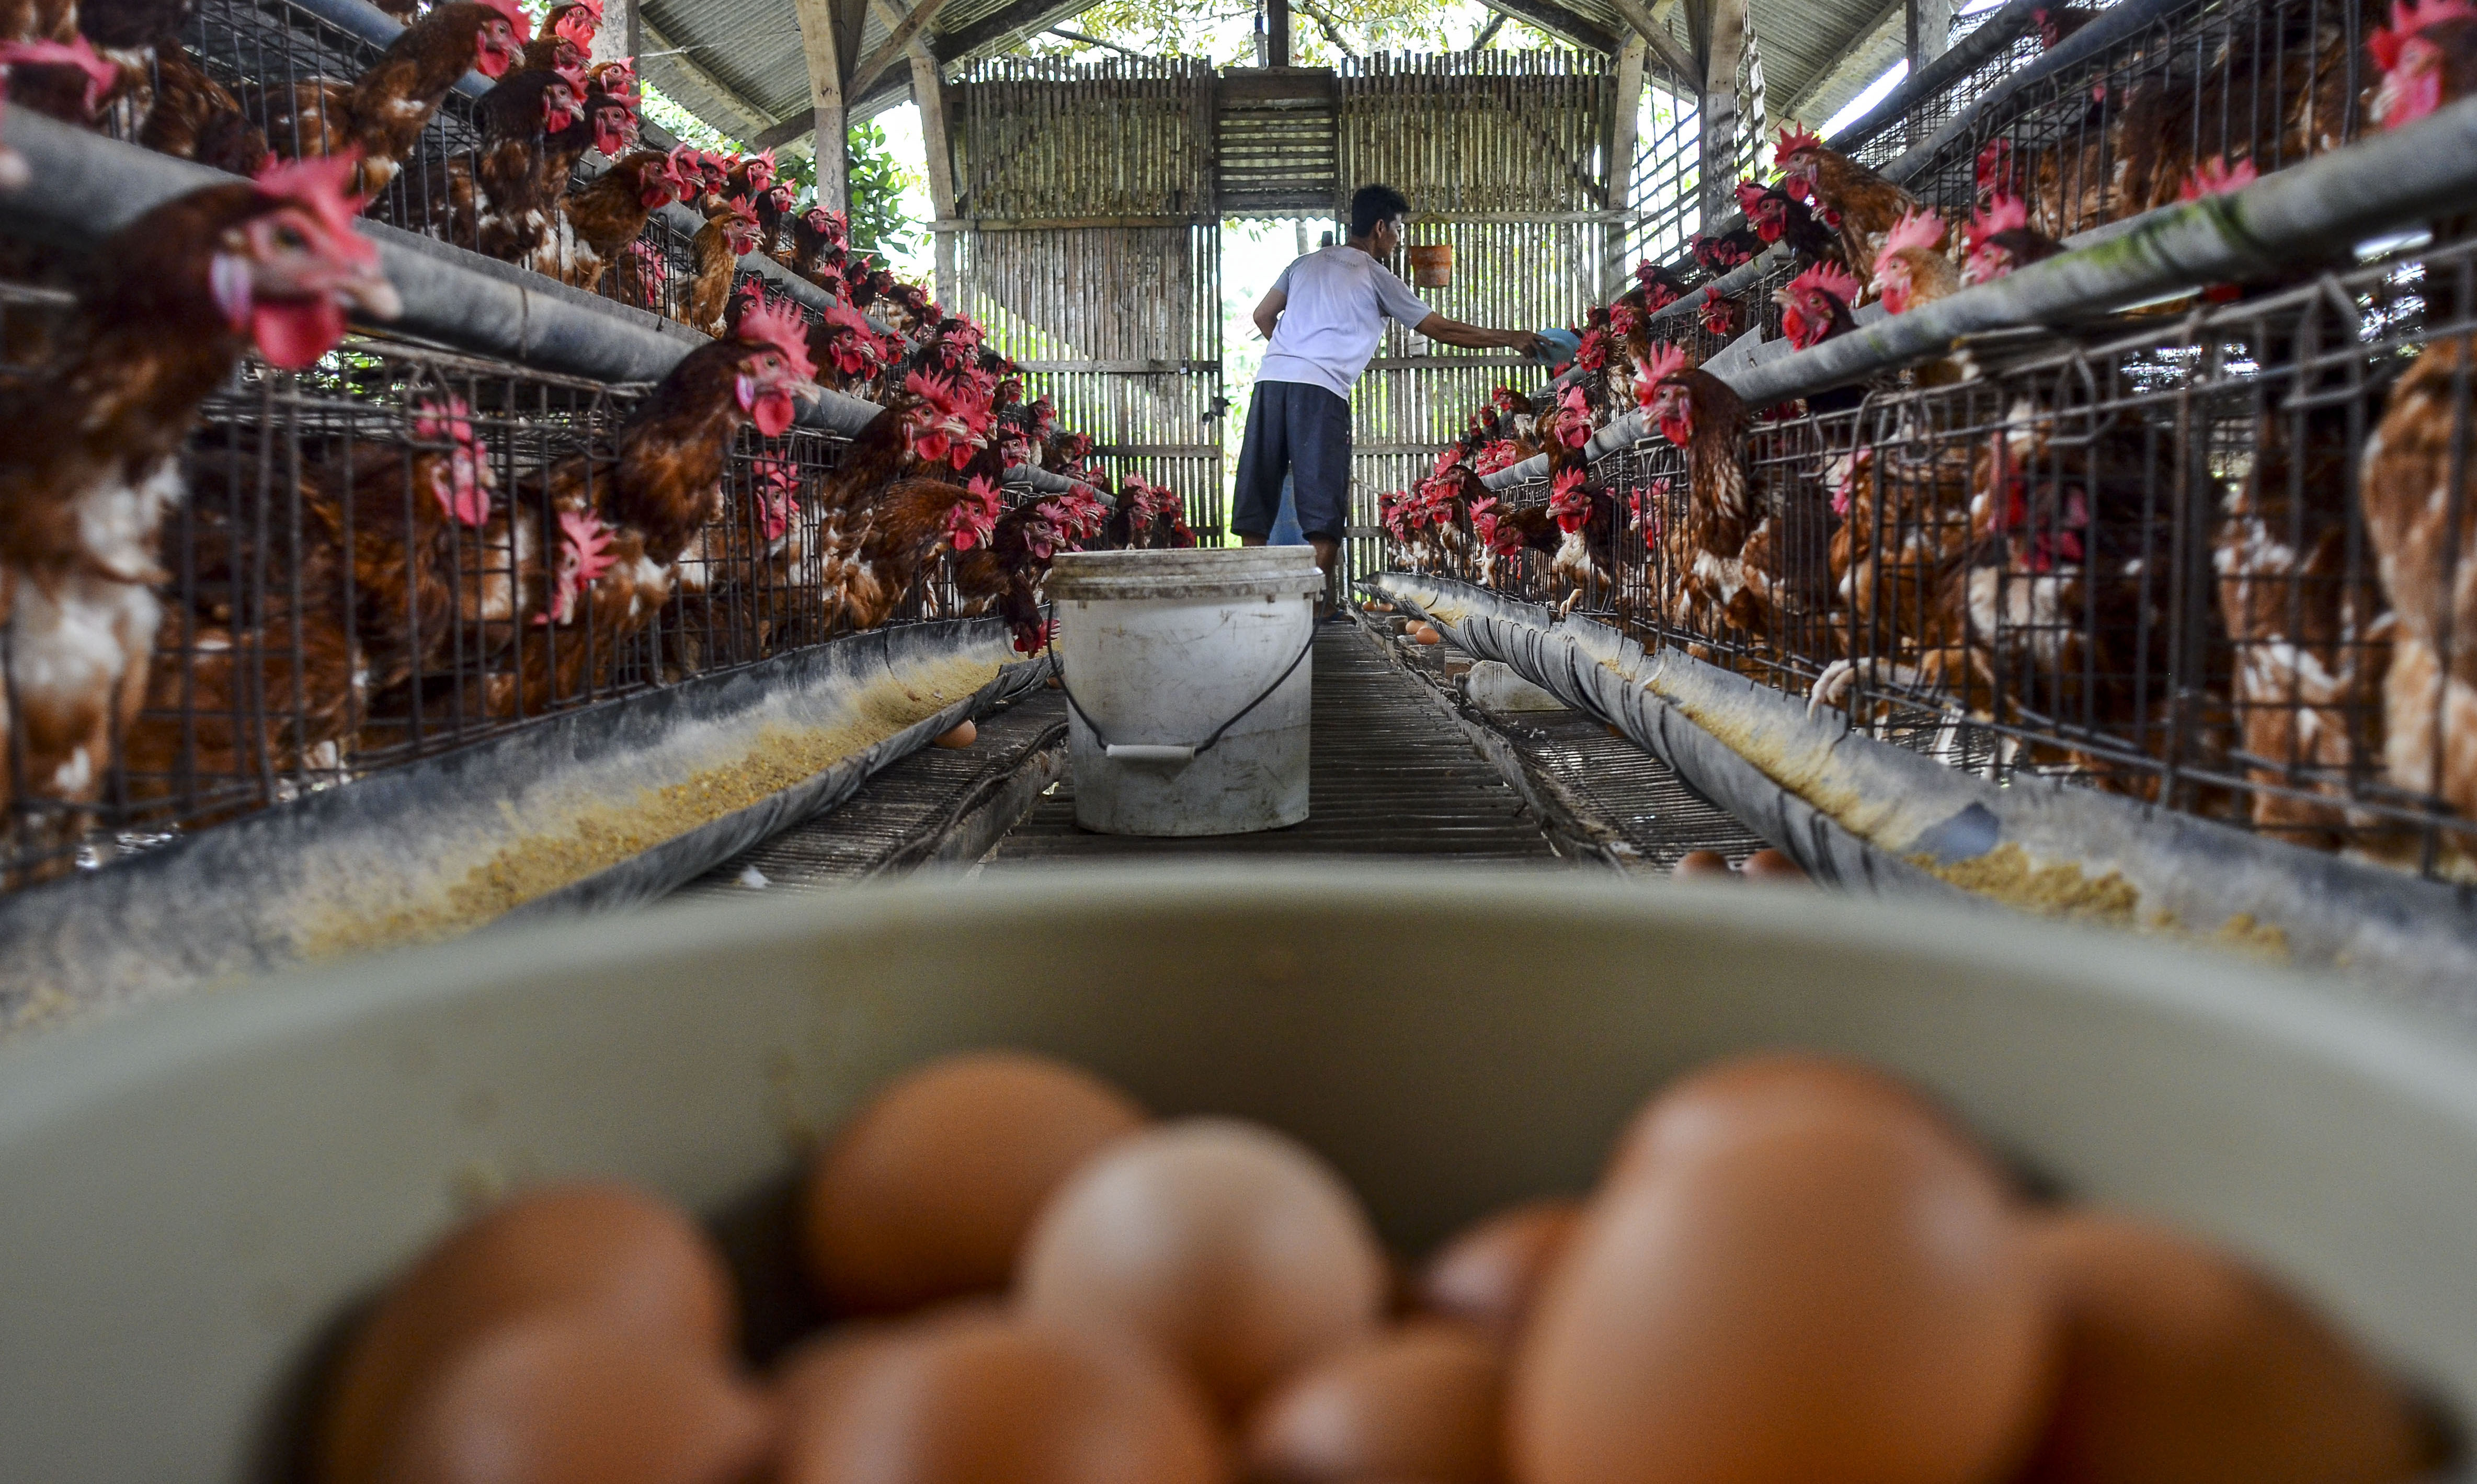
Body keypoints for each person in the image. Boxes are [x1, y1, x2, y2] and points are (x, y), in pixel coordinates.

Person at [1235, 183, 1548, 611]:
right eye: (1397, 229)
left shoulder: (1301, 265)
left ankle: (1250, 602)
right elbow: (1441, 330)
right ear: (1380, 227)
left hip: (1270, 381)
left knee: (1259, 494)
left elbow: (1261, 316)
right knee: (1322, 505)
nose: (1399, 240)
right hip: (1321, 391)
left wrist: (1294, 353)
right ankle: (1308, 614)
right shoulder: (1375, 275)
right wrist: (1509, 337)